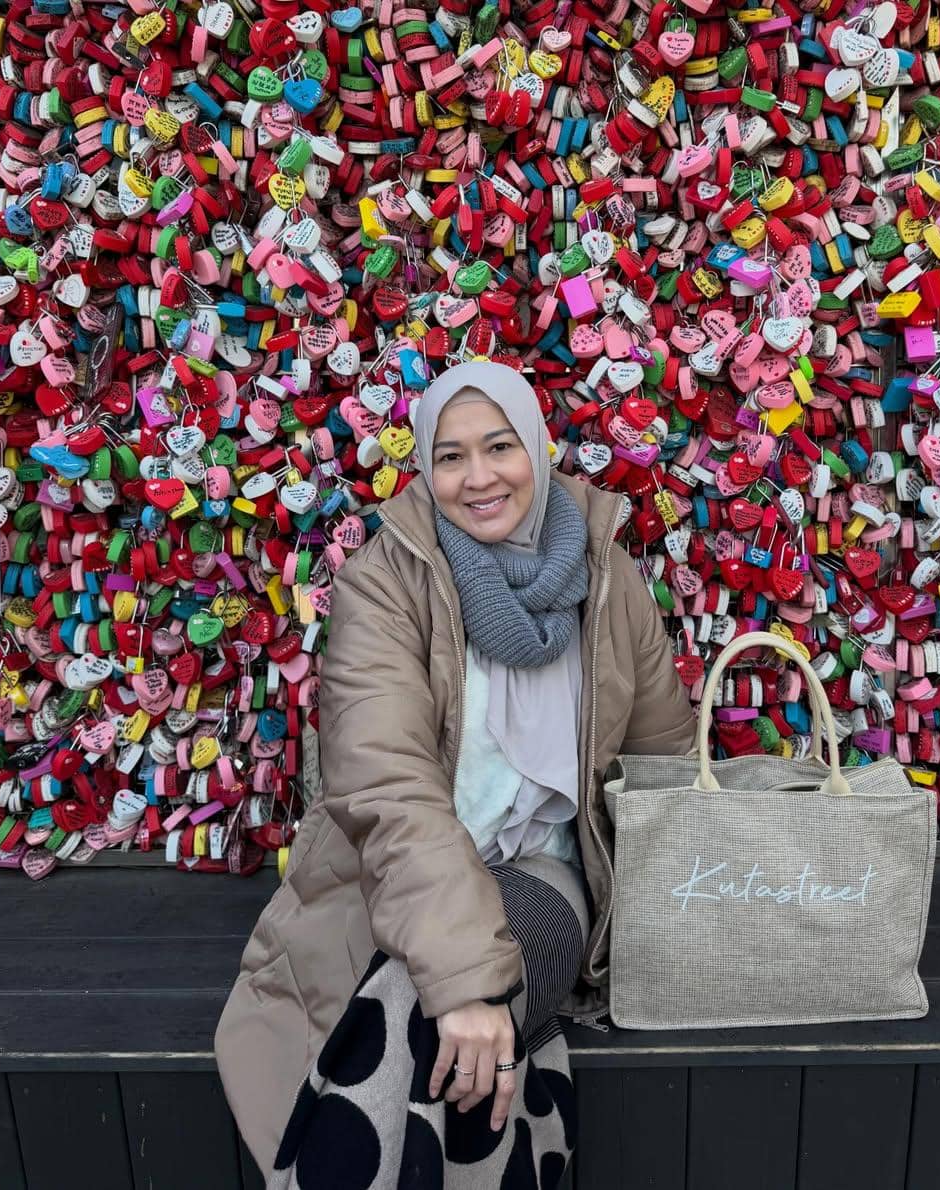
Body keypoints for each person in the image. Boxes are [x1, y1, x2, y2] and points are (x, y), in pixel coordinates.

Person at [215, 361, 695, 1186]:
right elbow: (388, 785)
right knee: (433, 1010)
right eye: (450, 456)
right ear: (426, 469)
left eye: (499, 447)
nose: (478, 478)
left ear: (536, 448)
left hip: (545, 874)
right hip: (398, 879)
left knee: (431, 1004)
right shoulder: (385, 582)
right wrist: (466, 984)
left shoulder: (608, 579)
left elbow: (663, 761)